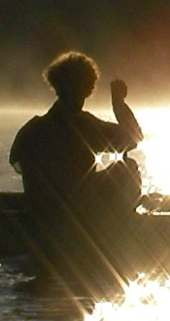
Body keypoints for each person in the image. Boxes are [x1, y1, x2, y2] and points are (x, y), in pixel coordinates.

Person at [9, 52, 144, 236]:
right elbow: (133, 138)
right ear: (88, 89)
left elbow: (16, 164)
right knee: (128, 168)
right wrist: (118, 104)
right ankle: (119, 230)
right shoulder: (84, 125)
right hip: (76, 214)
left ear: (56, 87)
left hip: (41, 212)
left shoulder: (31, 129)